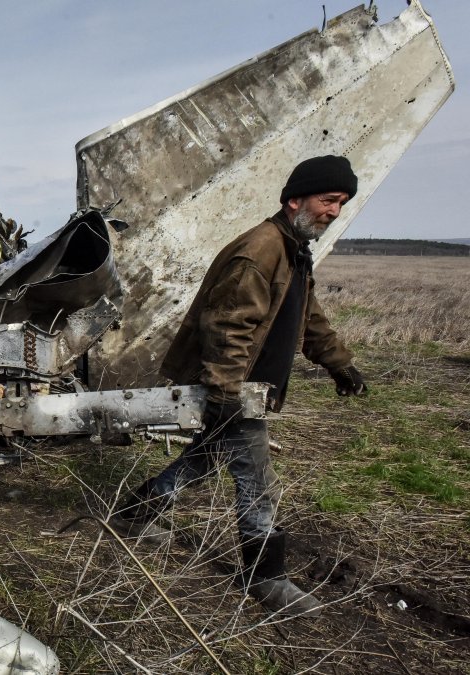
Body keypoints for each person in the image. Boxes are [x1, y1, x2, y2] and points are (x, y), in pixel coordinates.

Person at [111, 155, 369, 617]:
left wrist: (340, 365)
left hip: (246, 386)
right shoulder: (262, 249)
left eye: (341, 203)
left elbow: (308, 317)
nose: (335, 210)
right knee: (259, 480)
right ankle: (265, 576)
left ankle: (135, 513)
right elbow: (227, 327)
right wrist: (227, 394)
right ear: (296, 200)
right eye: (328, 200)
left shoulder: (293, 250)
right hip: (235, 386)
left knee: (204, 457)